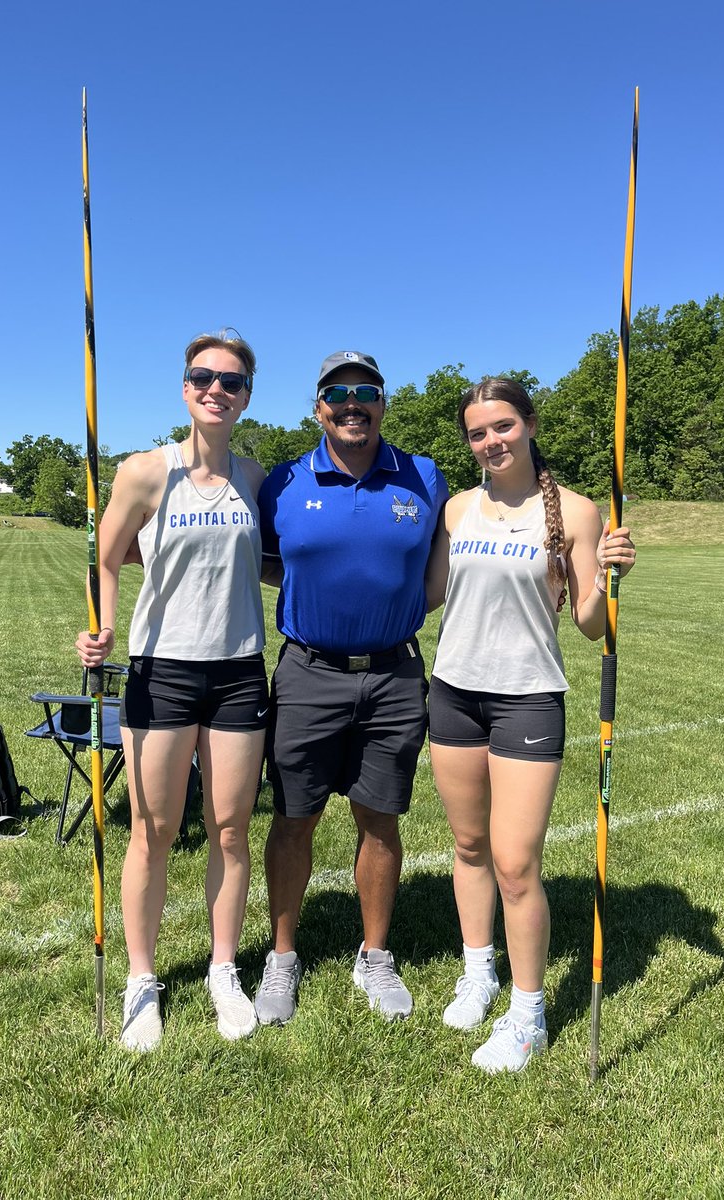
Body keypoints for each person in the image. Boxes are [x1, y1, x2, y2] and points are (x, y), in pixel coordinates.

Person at [427, 376, 636, 1073]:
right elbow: (428, 594)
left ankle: (528, 1014)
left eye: (503, 427)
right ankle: (478, 972)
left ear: (530, 424)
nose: (492, 441)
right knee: (468, 843)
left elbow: (588, 624)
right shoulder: (456, 509)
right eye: (479, 432)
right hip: (453, 693)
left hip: (527, 698)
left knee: (516, 863)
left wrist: (609, 579)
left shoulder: (575, 513)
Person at [75, 331, 267, 1051]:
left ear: (247, 394)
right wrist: (99, 630)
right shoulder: (145, 473)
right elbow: (106, 555)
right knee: (152, 832)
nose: (216, 389)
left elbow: (277, 561)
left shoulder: (255, 477)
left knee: (229, 829)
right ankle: (142, 979)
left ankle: (223, 971)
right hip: (164, 670)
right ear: (184, 389)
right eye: (202, 377)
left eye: (231, 380)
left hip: (240, 670)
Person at [254, 350, 449, 1024]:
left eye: (365, 391)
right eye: (337, 393)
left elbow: (438, 571)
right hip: (308, 673)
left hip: (394, 675)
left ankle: (375, 954)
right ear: (318, 408)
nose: (351, 402)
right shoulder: (283, 481)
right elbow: (263, 563)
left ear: (383, 403)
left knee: (379, 817)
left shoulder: (423, 477)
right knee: (294, 819)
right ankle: (282, 958)